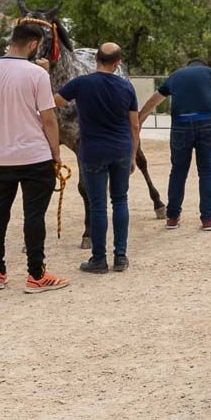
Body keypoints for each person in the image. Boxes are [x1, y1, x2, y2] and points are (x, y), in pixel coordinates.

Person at [0, 22, 70, 294]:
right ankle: (36, 274)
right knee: (34, 216)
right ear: (34, 44)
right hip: (34, 155)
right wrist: (56, 153)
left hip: (0, 156)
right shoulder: (36, 74)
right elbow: (49, 119)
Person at [53, 42, 139, 274]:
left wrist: (42, 72)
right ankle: (120, 256)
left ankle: (98, 259)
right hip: (121, 149)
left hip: (93, 151)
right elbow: (134, 125)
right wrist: (132, 154)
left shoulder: (81, 84)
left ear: (96, 59)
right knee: (120, 201)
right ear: (117, 62)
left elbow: (53, 103)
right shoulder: (126, 87)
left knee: (99, 205)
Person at [138, 58, 211, 231]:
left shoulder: (176, 75)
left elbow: (154, 100)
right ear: (204, 65)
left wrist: (139, 121)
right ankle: (207, 219)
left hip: (181, 124)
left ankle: (172, 217)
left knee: (178, 170)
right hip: (206, 122)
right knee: (207, 170)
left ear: (188, 66)